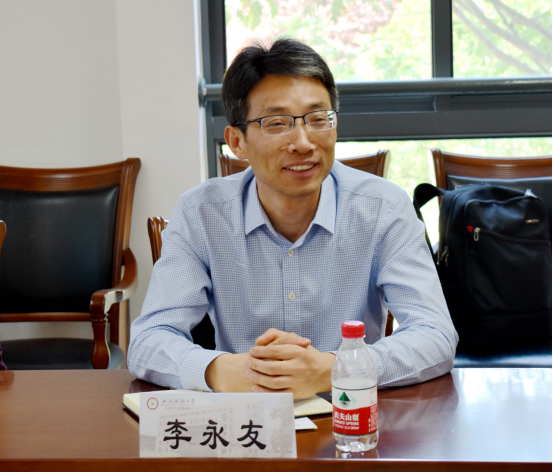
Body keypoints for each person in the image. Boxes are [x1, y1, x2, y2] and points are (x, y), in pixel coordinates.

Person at [128, 38, 458, 398]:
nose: (303, 142)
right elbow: (148, 340)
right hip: (246, 416)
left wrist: (335, 369)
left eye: (318, 119)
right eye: (277, 123)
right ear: (237, 142)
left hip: (351, 413)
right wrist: (221, 370)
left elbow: (435, 334)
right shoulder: (201, 214)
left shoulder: (385, 208)